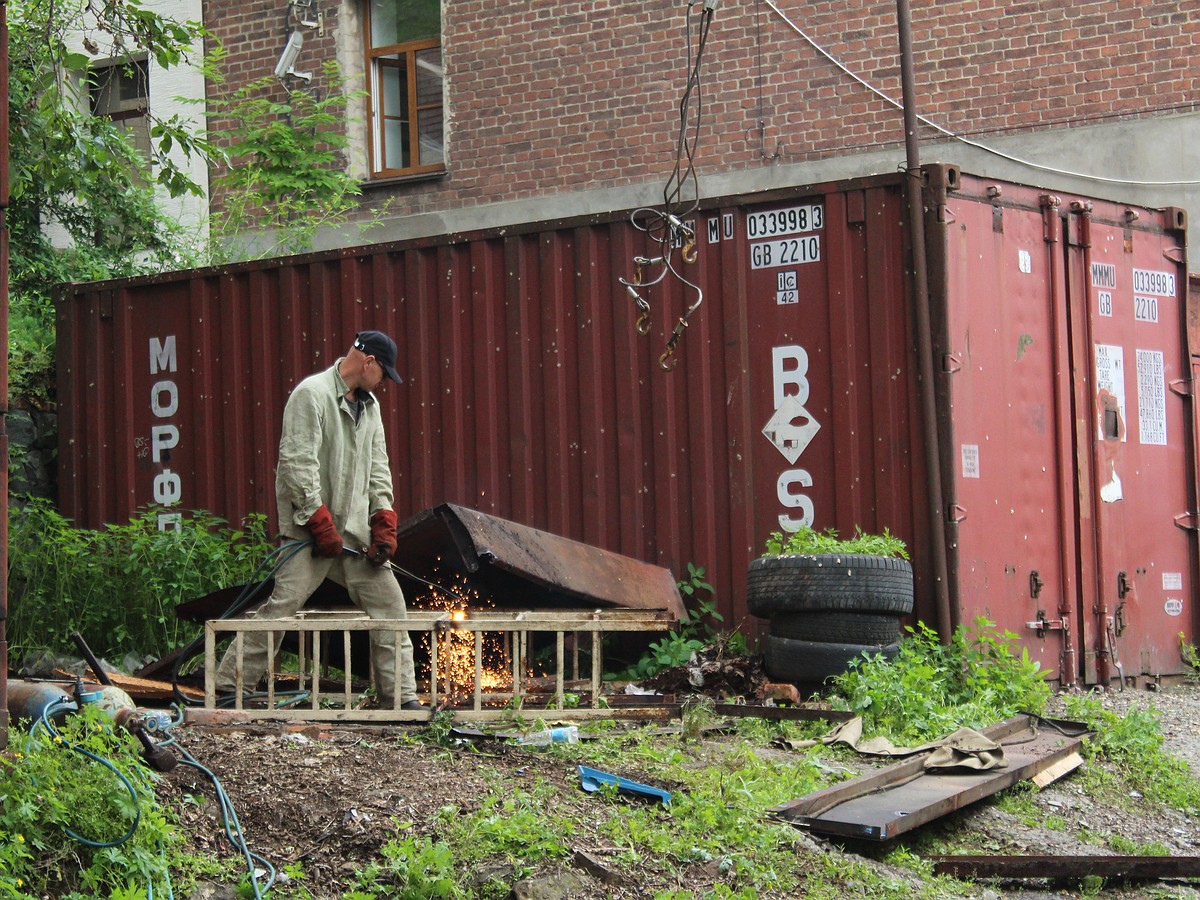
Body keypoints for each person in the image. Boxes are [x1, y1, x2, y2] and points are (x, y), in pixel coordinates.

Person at [215, 330, 425, 710]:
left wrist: (383, 521)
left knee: (391, 606)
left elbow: (379, 469)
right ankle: (230, 685)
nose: (385, 383)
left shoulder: (370, 407)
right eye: (384, 373)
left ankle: (399, 697)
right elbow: (297, 465)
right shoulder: (310, 395)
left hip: (353, 535)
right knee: (283, 604)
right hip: (308, 532)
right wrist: (319, 521)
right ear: (368, 362)